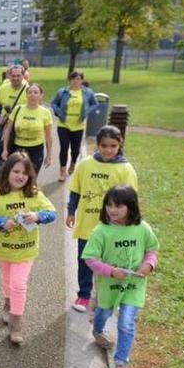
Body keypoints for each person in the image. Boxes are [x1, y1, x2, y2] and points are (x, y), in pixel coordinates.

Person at [0, 152, 56, 343]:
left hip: (26, 251)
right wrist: (1, 222)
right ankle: (7, 304)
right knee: (7, 281)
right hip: (3, 249)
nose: (20, 176)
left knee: (19, 284)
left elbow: (51, 212)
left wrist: (38, 217)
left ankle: (17, 322)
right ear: (7, 172)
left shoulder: (35, 194)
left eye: (25, 173)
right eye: (16, 171)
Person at [82, 186, 159, 368]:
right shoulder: (101, 231)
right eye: (108, 205)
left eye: (118, 205)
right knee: (103, 313)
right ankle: (98, 330)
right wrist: (110, 271)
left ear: (131, 206)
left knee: (126, 324)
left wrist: (148, 265)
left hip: (134, 286)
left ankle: (121, 364)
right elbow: (90, 258)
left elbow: (152, 250)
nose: (112, 210)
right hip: (109, 286)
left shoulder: (143, 228)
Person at [66, 126, 138, 313]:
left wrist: (129, 223)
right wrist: (71, 211)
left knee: (109, 264)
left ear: (119, 144)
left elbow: (131, 199)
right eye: (104, 145)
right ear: (97, 144)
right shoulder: (85, 164)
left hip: (112, 228)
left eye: (113, 146)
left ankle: (107, 296)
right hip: (88, 225)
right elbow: (75, 189)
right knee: (85, 261)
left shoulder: (125, 169)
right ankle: (83, 295)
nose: (108, 150)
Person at [50, 70, 99, 181]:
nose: (76, 81)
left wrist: (86, 112)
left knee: (75, 149)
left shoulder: (87, 92)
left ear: (82, 80)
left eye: (78, 79)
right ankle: (62, 171)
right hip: (64, 124)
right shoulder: (62, 92)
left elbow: (95, 103)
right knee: (64, 147)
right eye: (73, 79)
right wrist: (58, 112)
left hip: (78, 125)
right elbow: (53, 103)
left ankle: (72, 163)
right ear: (70, 80)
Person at [1, 83, 54, 174]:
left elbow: (48, 136)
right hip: (18, 148)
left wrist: (49, 155)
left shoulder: (45, 113)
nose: (32, 95)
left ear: (41, 95)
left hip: (36, 149)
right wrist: (5, 149)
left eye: (36, 92)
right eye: (30, 92)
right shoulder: (18, 109)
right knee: (17, 175)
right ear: (26, 95)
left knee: (32, 176)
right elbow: (8, 130)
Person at [0, 65, 29, 179]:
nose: (15, 78)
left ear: (23, 76)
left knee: (17, 156)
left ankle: (8, 178)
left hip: (20, 129)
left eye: (18, 75)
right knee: (3, 154)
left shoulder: (28, 90)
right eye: (13, 75)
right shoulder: (3, 88)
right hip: (5, 127)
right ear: (9, 76)